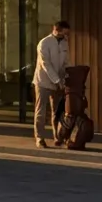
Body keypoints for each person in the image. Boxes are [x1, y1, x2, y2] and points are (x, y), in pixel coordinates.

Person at [32, 20, 72, 148]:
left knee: (57, 111)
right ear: (56, 30)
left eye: (67, 34)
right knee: (41, 111)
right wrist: (57, 80)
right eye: (64, 34)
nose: (66, 36)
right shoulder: (44, 43)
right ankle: (39, 138)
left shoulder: (65, 44)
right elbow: (46, 65)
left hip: (58, 83)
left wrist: (66, 78)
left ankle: (58, 137)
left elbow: (66, 63)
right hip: (43, 81)